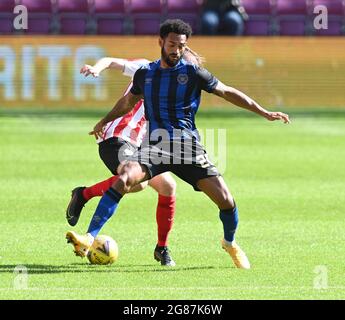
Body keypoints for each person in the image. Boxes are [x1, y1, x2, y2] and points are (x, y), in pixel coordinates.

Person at [66, 19, 290, 269]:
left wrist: (264, 112)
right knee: (126, 177)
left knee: (226, 200)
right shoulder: (145, 74)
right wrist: (104, 121)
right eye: (172, 44)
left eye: (181, 46)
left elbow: (227, 91)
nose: (176, 50)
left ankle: (230, 243)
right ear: (161, 42)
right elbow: (128, 103)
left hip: (188, 149)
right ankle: (89, 236)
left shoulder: (194, 73)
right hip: (155, 147)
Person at [66, 47, 204, 267]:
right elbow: (111, 60)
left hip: (138, 145)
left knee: (168, 186)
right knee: (139, 184)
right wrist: (96, 68)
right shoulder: (145, 68)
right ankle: (86, 220)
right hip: (116, 137)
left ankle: (162, 248)